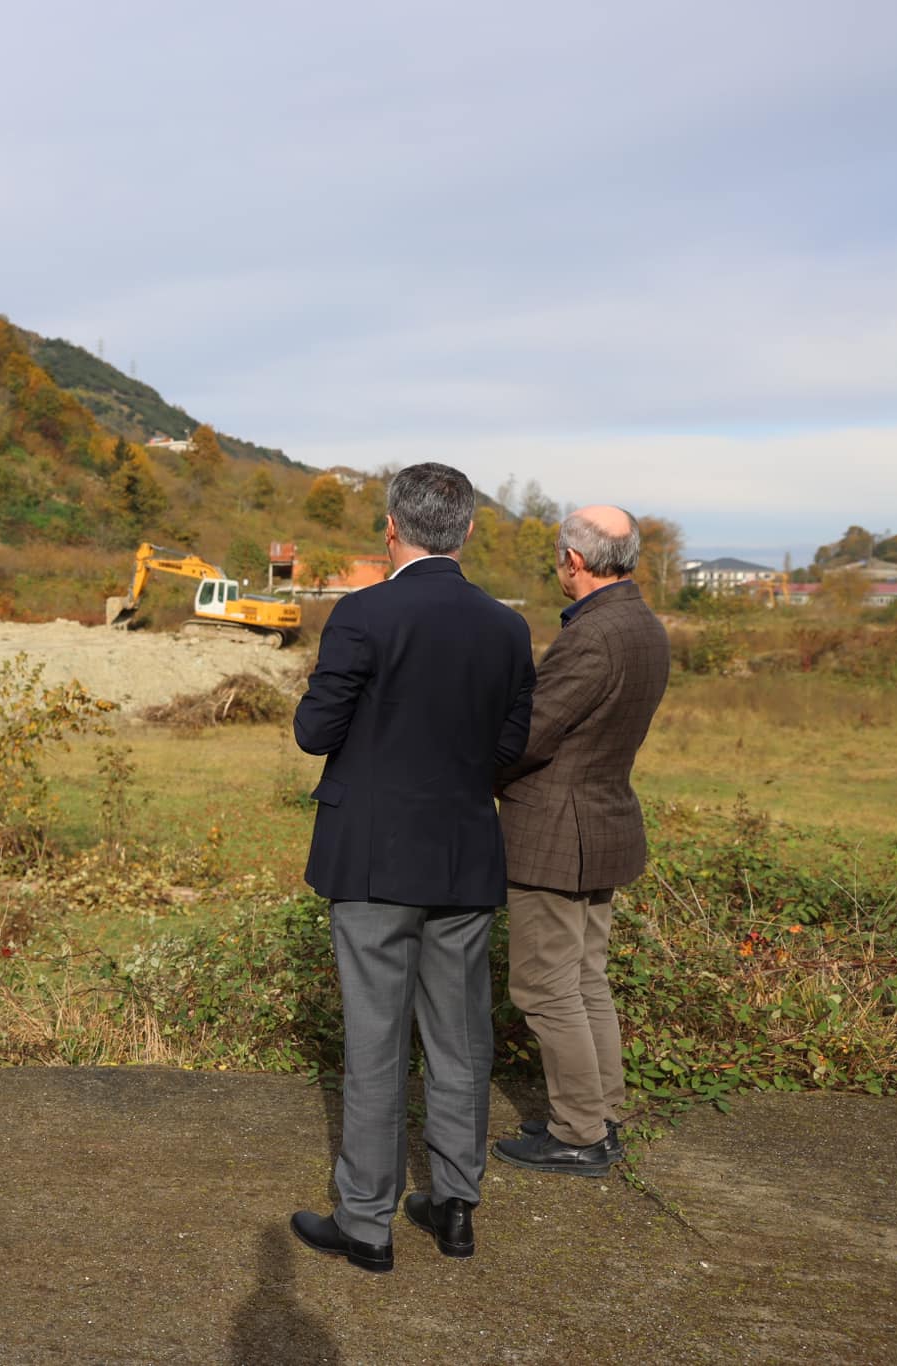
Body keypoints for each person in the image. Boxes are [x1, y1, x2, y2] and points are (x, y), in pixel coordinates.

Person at [288, 463, 535, 1273]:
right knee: (461, 1038)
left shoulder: (363, 614)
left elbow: (315, 732)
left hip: (369, 855)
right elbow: (508, 747)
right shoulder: (506, 628)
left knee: (377, 1039)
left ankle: (366, 1221)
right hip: (464, 855)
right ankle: (456, 1205)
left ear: (391, 530)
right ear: (466, 531)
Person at [490, 506, 669, 1178]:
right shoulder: (643, 625)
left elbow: (530, 733)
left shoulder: (593, 635)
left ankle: (577, 1132)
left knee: (545, 987)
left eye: (558, 556)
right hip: (603, 819)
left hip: (555, 832)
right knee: (585, 978)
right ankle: (599, 1115)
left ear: (573, 560)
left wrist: (472, 773)